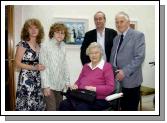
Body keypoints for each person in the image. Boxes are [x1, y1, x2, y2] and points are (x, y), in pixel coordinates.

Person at [59, 42, 115, 111]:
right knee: (64, 104)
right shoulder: (86, 66)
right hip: (82, 96)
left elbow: (110, 88)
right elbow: (79, 81)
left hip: (98, 99)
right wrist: (76, 85)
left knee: (81, 107)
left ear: (101, 53)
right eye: (91, 53)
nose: (94, 55)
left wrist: (94, 88)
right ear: (88, 54)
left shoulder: (107, 67)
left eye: (96, 53)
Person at [110, 11, 145, 111]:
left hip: (131, 80)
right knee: (119, 108)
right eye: (117, 22)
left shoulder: (138, 35)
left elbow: (139, 57)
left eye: (121, 21)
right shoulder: (116, 38)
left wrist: (124, 72)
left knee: (129, 110)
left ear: (128, 22)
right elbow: (114, 57)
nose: (119, 24)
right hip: (117, 80)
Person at [15, 18, 46, 111]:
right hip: (26, 80)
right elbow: (16, 63)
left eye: (36, 28)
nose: (33, 30)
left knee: (37, 103)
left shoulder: (39, 45)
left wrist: (42, 66)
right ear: (26, 30)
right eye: (30, 28)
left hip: (37, 78)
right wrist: (34, 67)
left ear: (39, 30)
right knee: (27, 105)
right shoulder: (23, 44)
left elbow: (39, 61)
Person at [39, 23, 70, 111]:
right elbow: (43, 68)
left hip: (60, 85)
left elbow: (64, 65)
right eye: (57, 32)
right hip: (49, 85)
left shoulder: (63, 46)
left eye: (62, 33)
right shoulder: (45, 46)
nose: (60, 35)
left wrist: (67, 82)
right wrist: (46, 86)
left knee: (58, 109)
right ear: (52, 33)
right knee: (51, 110)